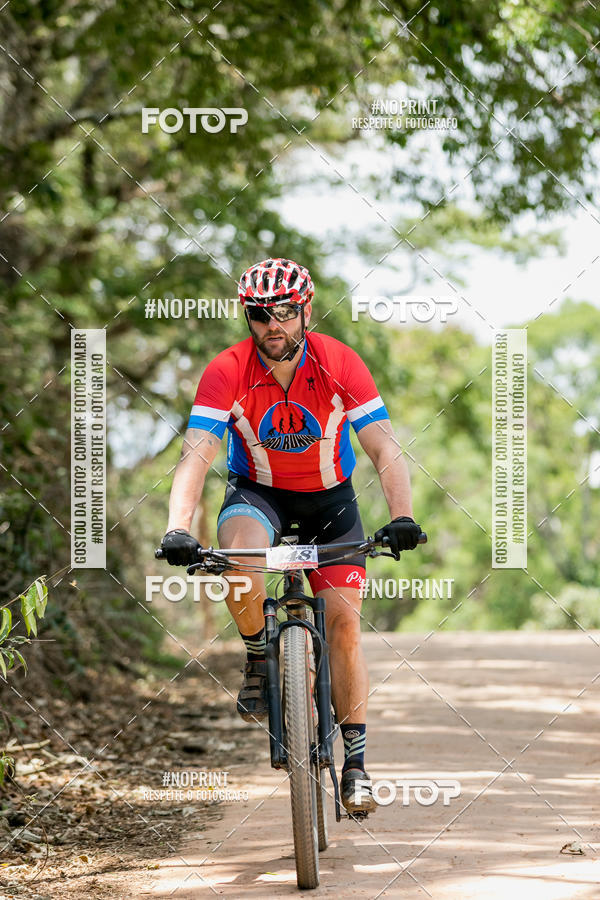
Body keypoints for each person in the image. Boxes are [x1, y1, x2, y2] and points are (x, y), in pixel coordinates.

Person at [160, 257, 423, 814]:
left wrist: (401, 515)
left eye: (284, 311)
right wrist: (177, 527)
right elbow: (197, 454)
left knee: (345, 627)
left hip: (332, 501)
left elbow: (383, 446)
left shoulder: (339, 362)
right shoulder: (226, 370)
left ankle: (354, 763)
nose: (272, 325)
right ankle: (259, 655)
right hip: (259, 494)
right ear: (248, 316)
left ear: (305, 310)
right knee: (237, 556)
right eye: (260, 314)